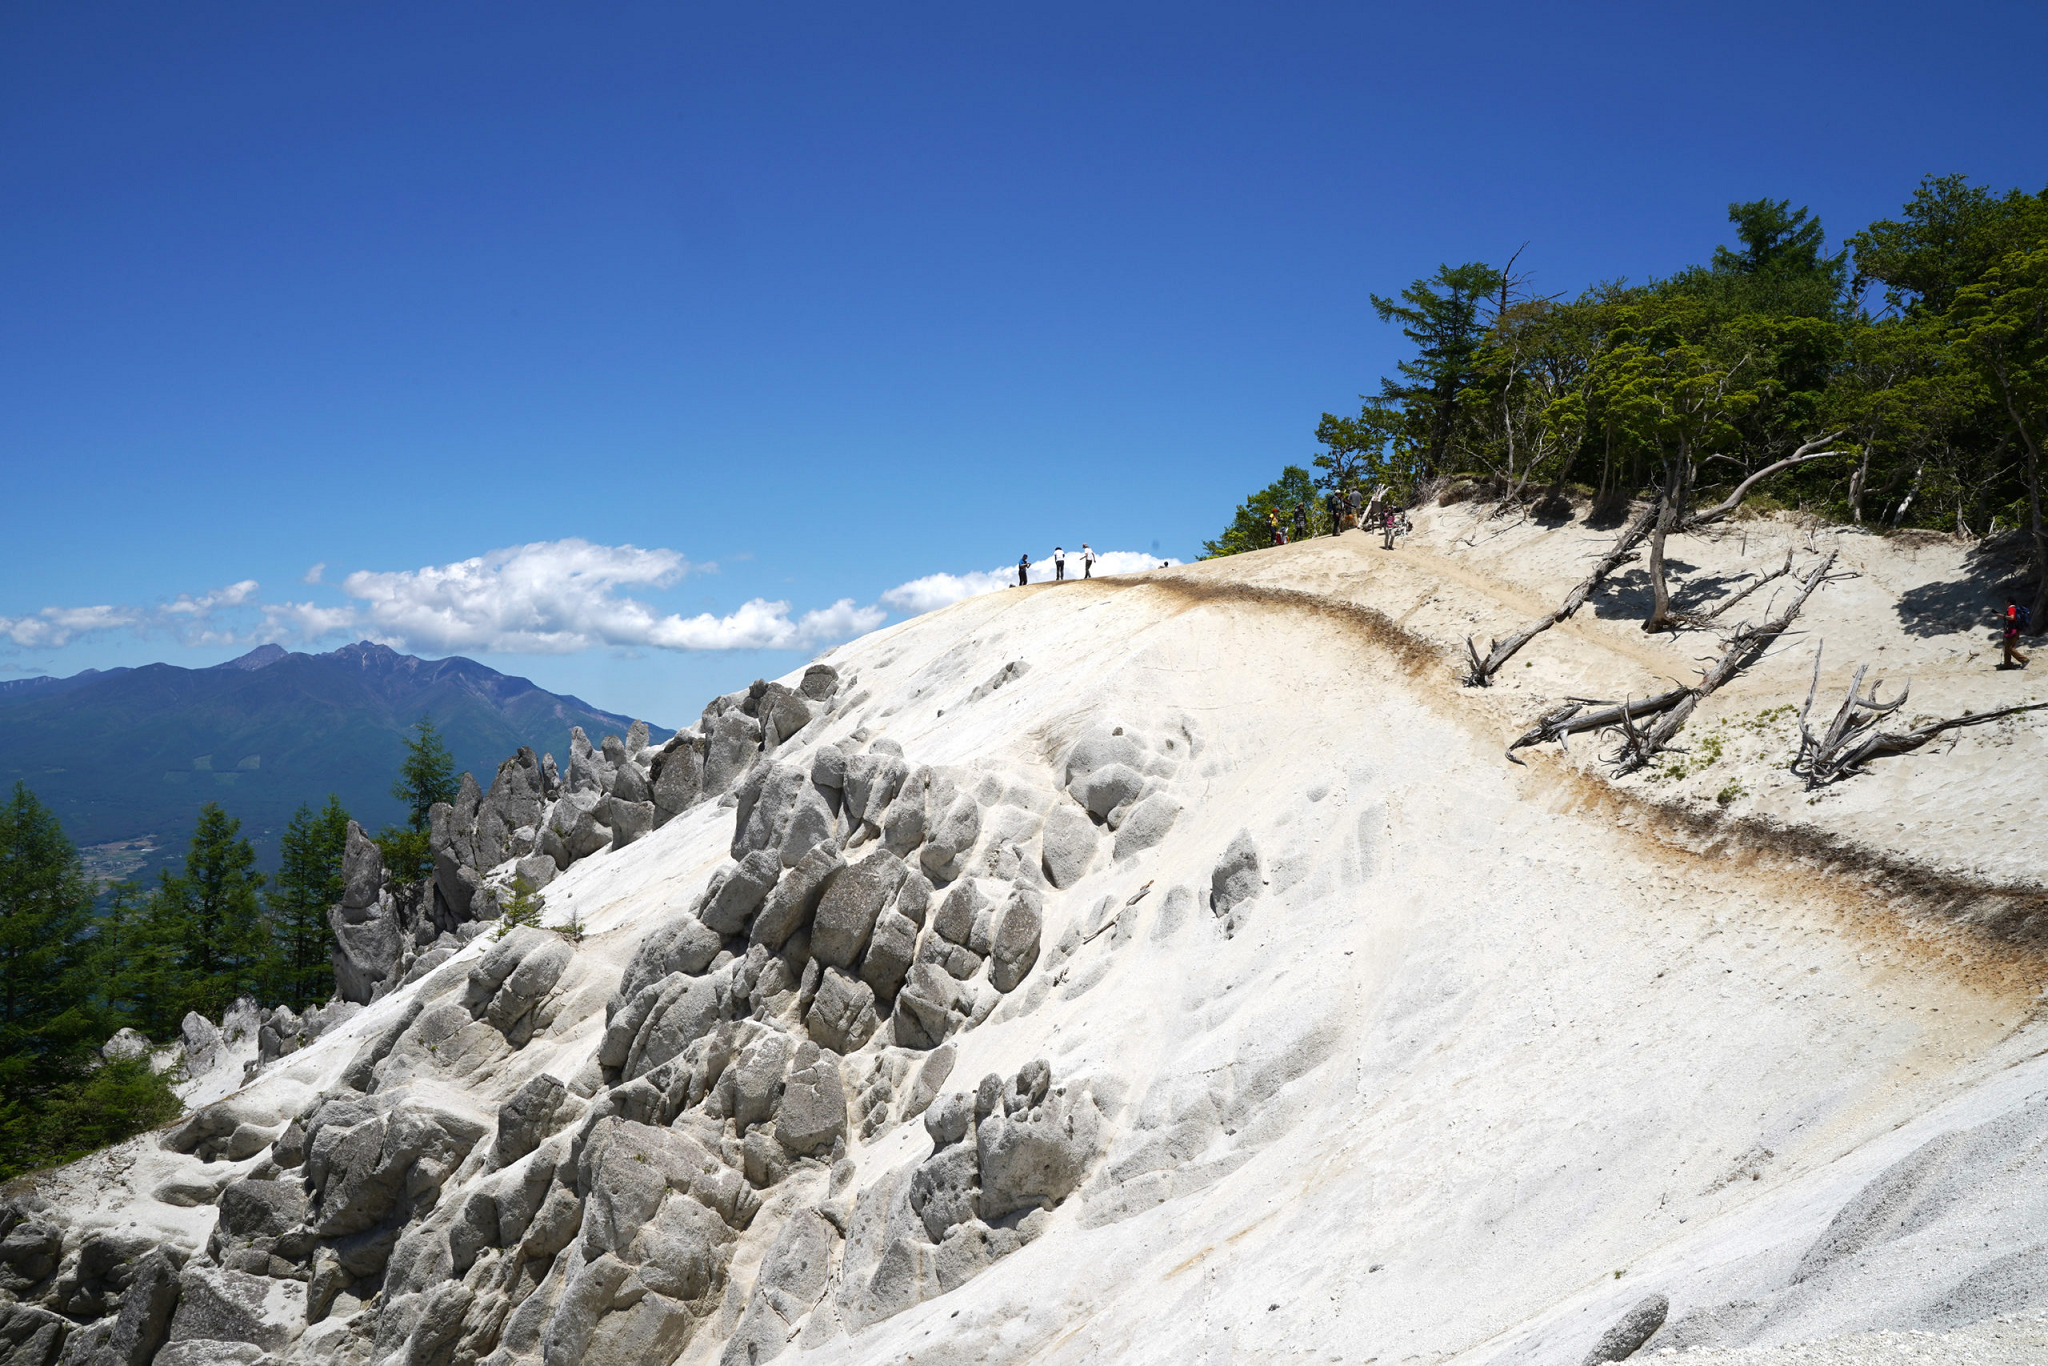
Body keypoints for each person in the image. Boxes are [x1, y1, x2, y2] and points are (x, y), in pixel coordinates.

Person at [2002, 596, 2031, 668]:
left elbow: (2012, 617)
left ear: (2009, 602)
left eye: (2006, 601)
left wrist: (2003, 616)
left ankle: (2024, 660)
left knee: (2009, 648)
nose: (2005, 603)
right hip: (2015, 630)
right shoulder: (2015, 608)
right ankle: (2007, 664)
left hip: (2012, 631)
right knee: (2007, 647)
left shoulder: (2011, 608)